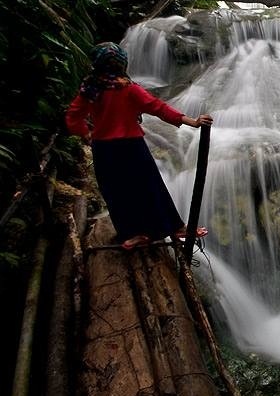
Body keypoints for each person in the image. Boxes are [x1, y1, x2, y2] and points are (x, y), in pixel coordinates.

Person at [66, 42, 213, 249]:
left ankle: (133, 234)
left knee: (116, 192)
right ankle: (176, 227)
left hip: (104, 149)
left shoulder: (90, 89)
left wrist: (86, 134)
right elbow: (158, 108)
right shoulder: (129, 89)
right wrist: (193, 122)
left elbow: (73, 116)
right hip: (131, 147)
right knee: (150, 187)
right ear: (122, 64)